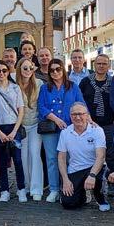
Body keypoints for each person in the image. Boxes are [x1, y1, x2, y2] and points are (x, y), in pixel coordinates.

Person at [38, 59, 85, 202]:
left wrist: (89, 121)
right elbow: (41, 107)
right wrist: (56, 120)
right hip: (51, 128)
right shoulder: (45, 88)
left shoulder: (73, 86)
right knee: (52, 159)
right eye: (52, 70)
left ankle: (69, 187)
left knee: (69, 158)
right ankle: (54, 189)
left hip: (70, 128)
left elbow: (81, 104)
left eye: (58, 69)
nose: (55, 72)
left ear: (63, 69)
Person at [58, 102, 110, 211]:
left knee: (99, 177)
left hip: (94, 168)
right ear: (70, 116)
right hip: (75, 169)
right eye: (74, 114)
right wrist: (65, 180)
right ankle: (84, 196)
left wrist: (92, 175)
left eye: (81, 114)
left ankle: (101, 199)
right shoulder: (65, 132)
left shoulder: (97, 131)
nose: (77, 117)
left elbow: (101, 157)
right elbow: (61, 158)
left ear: (87, 115)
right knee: (68, 204)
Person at [0, 60, 26, 203]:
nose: (1, 73)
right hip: (0, 128)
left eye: (4, 70)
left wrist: (14, 131)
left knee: (18, 160)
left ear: (8, 72)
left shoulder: (15, 88)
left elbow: (21, 110)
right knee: (2, 161)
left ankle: (21, 189)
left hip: (14, 126)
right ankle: (4, 190)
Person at [79, 54, 114, 173]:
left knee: (111, 155)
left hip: (109, 125)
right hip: (90, 125)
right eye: (99, 63)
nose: (101, 66)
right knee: (90, 154)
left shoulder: (113, 82)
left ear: (108, 65)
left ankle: (111, 179)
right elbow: (80, 102)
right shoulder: (85, 82)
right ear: (94, 65)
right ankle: (91, 179)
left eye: (104, 64)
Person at [16, 58, 43, 201]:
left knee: (34, 154)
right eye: (25, 68)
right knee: (23, 157)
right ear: (19, 69)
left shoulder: (39, 83)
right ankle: (26, 186)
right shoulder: (14, 85)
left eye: (30, 68)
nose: (28, 71)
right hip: (20, 126)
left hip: (35, 124)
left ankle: (36, 188)